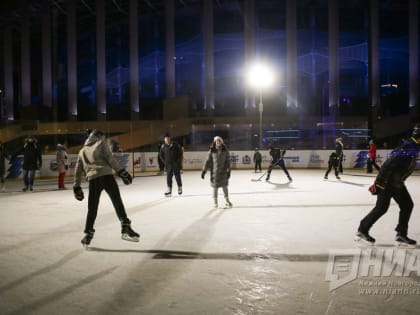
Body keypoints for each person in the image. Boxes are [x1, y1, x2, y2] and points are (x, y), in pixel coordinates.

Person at [355, 125, 420, 247]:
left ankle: (401, 234)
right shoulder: (407, 147)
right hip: (387, 183)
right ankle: (362, 230)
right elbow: (387, 164)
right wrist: (378, 183)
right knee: (381, 208)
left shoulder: (414, 146)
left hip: (398, 183)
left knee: (407, 205)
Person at [73, 129, 139, 248]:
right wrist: (121, 171)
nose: (104, 139)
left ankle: (88, 234)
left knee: (92, 208)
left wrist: (76, 186)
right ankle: (125, 227)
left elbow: (78, 170)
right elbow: (110, 158)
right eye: (103, 137)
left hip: (93, 179)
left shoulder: (82, 151)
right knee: (117, 201)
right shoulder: (101, 143)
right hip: (107, 176)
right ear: (99, 136)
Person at [201, 136, 232, 208]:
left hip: (223, 172)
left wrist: (229, 170)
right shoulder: (212, 150)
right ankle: (215, 202)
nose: (218, 142)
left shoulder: (225, 150)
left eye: (219, 141)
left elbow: (228, 161)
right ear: (215, 142)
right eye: (216, 141)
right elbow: (207, 161)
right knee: (215, 188)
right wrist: (204, 171)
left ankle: (227, 200)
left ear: (221, 142)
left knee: (225, 187)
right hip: (215, 172)